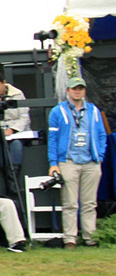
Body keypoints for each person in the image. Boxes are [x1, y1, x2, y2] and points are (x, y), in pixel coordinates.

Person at [47, 75, 107, 248]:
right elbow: (53, 138)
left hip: (91, 161)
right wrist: (53, 163)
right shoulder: (58, 111)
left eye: (80, 88)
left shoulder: (93, 110)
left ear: (84, 91)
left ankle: (90, 237)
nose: (78, 91)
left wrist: (100, 157)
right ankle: (70, 239)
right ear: (68, 91)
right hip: (69, 161)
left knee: (90, 203)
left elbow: (102, 135)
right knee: (70, 202)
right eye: (74, 88)